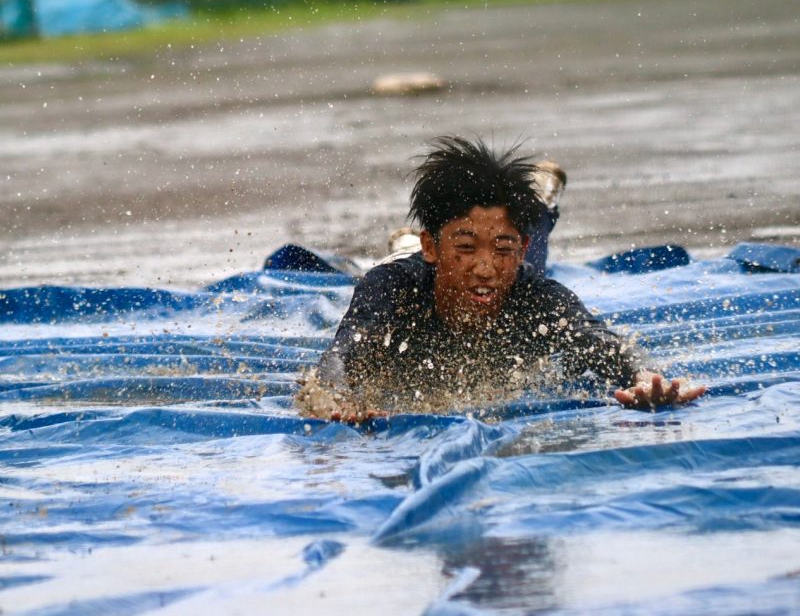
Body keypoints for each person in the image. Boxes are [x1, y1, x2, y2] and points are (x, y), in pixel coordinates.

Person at [296, 135, 705, 421]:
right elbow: (344, 353)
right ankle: (409, 244)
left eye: (505, 251)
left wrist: (643, 378)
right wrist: (331, 396)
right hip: (411, 265)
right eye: (466, 248)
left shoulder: (535, 294)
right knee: (413, 259)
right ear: (433, 246)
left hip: (499, 252)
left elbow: (595, 338)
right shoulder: (389, 290)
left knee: (515, 249)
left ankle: (539, 205)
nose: (486, 268)